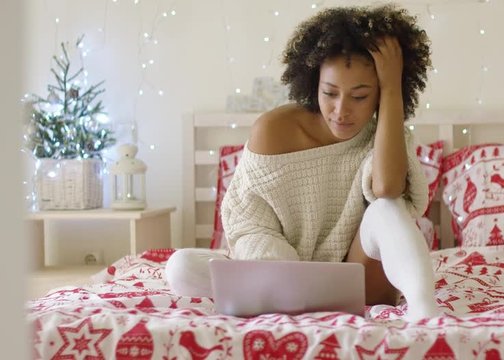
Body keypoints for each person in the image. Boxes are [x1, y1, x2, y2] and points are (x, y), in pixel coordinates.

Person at [166, 4, 440, 321]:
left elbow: (388, 188)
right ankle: (279, 291)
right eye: (330, 93)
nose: (341, 110)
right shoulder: (274, 130)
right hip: (283, 275)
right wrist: (286, 269)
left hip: (362, 282)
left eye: (361, 96)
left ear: (379, 95)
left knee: (387, 207)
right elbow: (250, 222)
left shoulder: (386, 133)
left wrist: (393, 89)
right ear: (313, 84)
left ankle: (425, 311)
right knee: (180, 267)